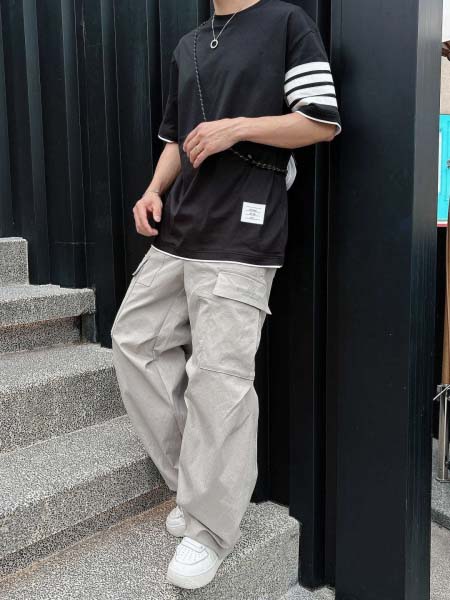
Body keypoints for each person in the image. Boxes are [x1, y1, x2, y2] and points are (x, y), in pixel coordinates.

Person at [111, 0, 341, 590]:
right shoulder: (189, 43)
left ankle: (209, 528)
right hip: (180, 226)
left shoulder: (286, 23)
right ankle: (194, 485)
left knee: (220, 376)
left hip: (243, 230)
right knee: (134, 340)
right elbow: (175, 138)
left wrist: (236, 126)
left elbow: (319, 120)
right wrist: (153, 190)